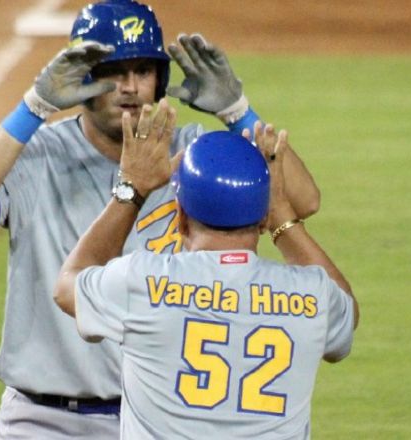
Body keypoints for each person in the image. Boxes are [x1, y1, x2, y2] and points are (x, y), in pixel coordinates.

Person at [0, 0, 319, 438]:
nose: (130, 87)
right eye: (113, 71)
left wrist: (237, 111)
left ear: (160, 80)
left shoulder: (193, 156)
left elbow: (300, 200)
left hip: (157, 419)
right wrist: (33, 108)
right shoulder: (38, 154)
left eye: (143, 72)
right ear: (83, 76)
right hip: (43, 420)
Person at [53, 109, 359, 439]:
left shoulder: (141, 281)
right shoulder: (312, 294)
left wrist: (133, 189)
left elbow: (68, 284)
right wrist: (282, 215)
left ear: (180, 217)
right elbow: (346, 314)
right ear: (261, 218)